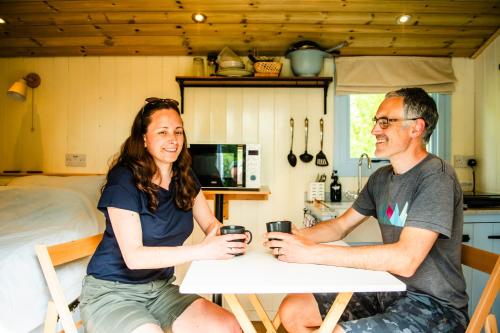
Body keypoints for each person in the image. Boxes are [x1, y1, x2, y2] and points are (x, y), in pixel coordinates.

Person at [265, 88, 468, 333]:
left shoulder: (436, 178)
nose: (374, 130)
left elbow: (405, 260)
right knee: (293, 309)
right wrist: (295, 237)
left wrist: (312, 253)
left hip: (435, 307)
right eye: (376, 122)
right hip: (386, 290)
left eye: (385, 122)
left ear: (416, 128)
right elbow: (340, 226)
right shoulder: (381, 178)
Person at [80, 97, 245, 333]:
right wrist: (203, 250)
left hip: (161, 290)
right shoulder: (123, 181)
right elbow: (134, 258)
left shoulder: (184, 176)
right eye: (163, 132)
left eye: (178, 132)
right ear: (144, 138)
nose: (173, 140)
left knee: (228, 326)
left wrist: (230, 237)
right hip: (113, 292)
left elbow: (210, 223)